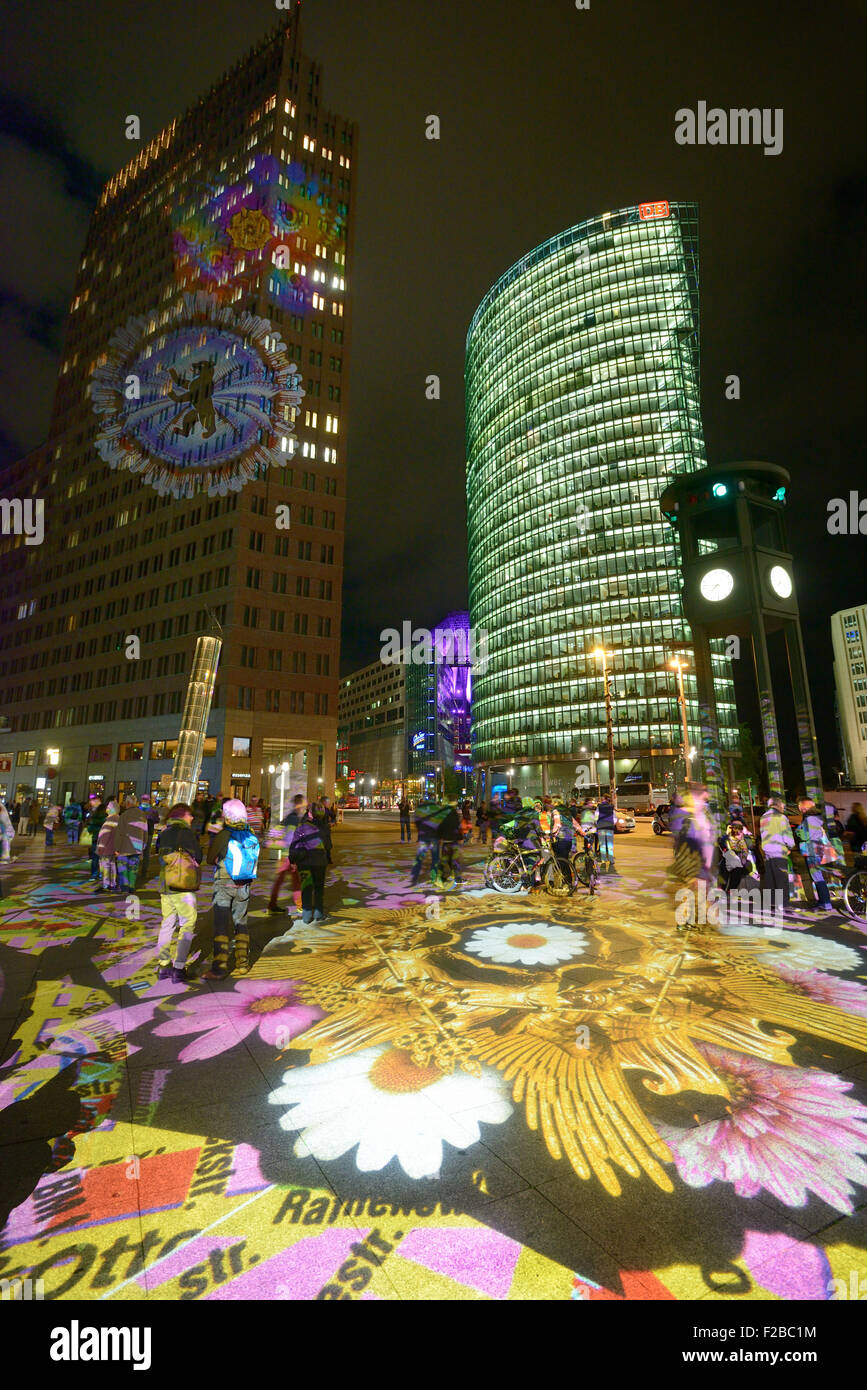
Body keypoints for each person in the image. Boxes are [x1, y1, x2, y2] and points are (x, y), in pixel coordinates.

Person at [206, 799, 260, 978]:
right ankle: (243, 963)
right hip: (244, 883)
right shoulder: (250, 832)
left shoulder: (224, 834)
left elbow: (210, 857)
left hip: (224, 883)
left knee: (221, 925)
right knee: (241, 923)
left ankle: (219, 968)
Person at [156, 803, 203, 983]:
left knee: (167, 924)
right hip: (182, 886)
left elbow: (159, 856)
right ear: (183, 816)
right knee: (188, 924)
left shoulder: (164, 832)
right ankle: (179, 967)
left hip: (165, 885)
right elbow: (198, 856)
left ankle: (163, 965)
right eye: (190, 815)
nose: (191, 818)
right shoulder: (186, 833)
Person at [283, 794, 333, 922]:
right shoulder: (325, 828)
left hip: (304, 862)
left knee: (306, 888)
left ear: (310, 814)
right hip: (320, 862)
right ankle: (318, 913)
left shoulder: (302, 827)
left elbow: (294, 845)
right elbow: (328, 845)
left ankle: (306, 916)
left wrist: (293, 860)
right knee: (319, 888)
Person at [759, 794, 795, 912]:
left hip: (767, 850)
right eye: (783, 806)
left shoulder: (763, 817)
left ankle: (772, 903)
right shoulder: (781, 817)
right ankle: (783, 904)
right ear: (778, 805)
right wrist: (790, 845)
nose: (783, 808)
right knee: (781, 877)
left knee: (770, 877)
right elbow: (787, 834)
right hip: (779, 850)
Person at [796, 798, 834, 911]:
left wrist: (798, 831)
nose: (801, 811)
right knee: (818, 876)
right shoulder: (817, 817)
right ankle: (823, 901)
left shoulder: (810, 819)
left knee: (817, 876)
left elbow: (806, 836)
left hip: (813, 850)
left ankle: (825, 902)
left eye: (801, 809)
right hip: (818, 849)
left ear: (805, 808)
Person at [114, 796, 149, 892]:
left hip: (124, 846)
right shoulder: (142, 815)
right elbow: (145, 831)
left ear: (128, 803)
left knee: (123, 867)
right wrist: (143, 845)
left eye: (126, 802)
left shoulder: (124, 815)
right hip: (137, 846)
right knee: (133, 868)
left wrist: (117, 848)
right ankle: (132, 886)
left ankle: (125, 886)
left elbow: (119, 833)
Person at [95, 800, 120, 893]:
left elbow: (105, 835)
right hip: (113, 848)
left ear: (112, 809)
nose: (107, 808)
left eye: (108, 807)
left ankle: (106, 885)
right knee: (112, 866)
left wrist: (100, 848)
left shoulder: (111, 820)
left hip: (106, 848)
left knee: (105, 867)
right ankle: (112, 884)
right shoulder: (118, 819)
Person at [84, 797, 107, 880]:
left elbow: (90, 829)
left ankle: (94, 874)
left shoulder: (93, 817)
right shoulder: (106, 818)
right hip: (104, 839)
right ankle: (101, 874)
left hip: (95, 838)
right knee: (102, 857)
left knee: (95, 857)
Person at [595, 793, 615, 872]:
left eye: (602, 798)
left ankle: (603, 860)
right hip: (609, 827)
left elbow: (596, 817)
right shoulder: (611, 807)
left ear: (604, 799)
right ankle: (611, 860)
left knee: (602, 844)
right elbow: (615, 817)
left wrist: (597, 823)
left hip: (601, 827)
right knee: (610, 844)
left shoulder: (599, 807)